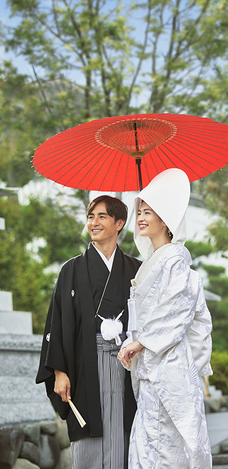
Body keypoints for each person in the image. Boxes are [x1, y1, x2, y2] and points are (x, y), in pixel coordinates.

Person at [36, 195, 141, 469]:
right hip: (85, 364)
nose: (93, 223)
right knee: (88, 431)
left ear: (120, 223)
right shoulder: (71, 269)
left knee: (125, 430)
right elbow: (56, 323)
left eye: (101, 217)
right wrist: (59, 372)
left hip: (127, 362)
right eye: (90, 216)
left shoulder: (137, 270)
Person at [117, 169, 213, 469]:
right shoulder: (151, 263)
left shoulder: (175, 261)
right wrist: (136, 342)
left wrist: (141, 342)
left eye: (149, 211)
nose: (141, 217)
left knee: (171, 445)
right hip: (149, 365)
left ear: (166, 218)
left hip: (169, 362)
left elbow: (177, 310)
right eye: (140, 211)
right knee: (147, 443)